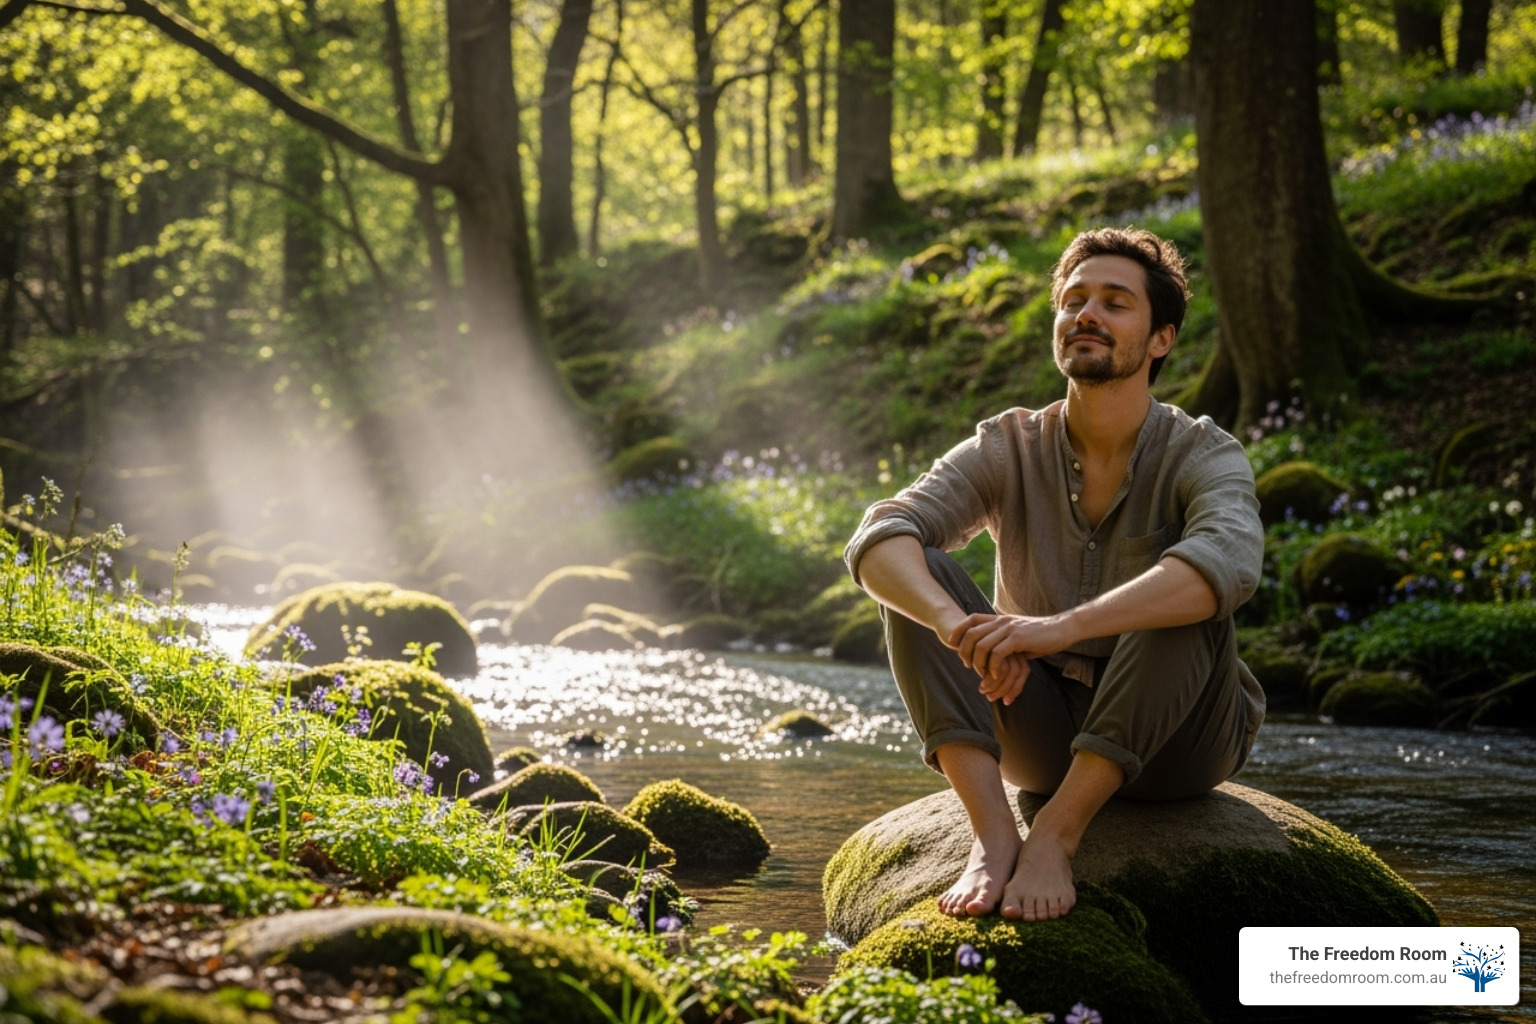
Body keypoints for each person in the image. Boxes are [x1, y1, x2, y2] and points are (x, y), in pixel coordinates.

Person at [844, 226, 1265, 924]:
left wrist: (1055, 630)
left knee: (1188, 592)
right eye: (1073, 301)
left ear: (1160, 338)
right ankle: (992, 836)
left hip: (1179, 747)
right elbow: (878, 536)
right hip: (1036, 736)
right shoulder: (1008, 444)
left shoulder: (1204, 452)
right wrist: (959, 631)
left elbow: (1229, 564)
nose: (1086, 314)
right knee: (924, 575)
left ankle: (1055, 837)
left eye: (1114, 303)